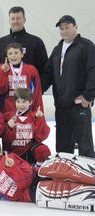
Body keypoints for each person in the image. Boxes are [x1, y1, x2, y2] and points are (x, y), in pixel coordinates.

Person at [0, 139, 95, 212]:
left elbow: (26, 178)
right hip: (29, 194)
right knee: (63, 189)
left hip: (35, 177)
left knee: (61, 170)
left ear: (0, 152)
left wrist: (12, 167)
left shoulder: (10, 158)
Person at [41, 15, 95, 158]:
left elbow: (93, 71)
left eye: (67, 27)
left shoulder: (86, 46)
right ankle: (65, 177)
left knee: (85, 144)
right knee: (63, 146)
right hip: (61, 104)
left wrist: (88, 95)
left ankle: (89, 177)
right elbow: (48, 73)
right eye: (62, 28)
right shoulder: (57, 49)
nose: (64, 31)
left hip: (79, 104)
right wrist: (36, 92)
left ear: (75, 27)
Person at [0, 6, 47, 77]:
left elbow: (45, 70)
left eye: (18, 18)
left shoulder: (36, 42)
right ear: (9, 21)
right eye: (12, 19)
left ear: (24, 20)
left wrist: (39, 87)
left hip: (28, 87)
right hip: (4, 87)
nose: (15, 21)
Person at [3, 88, 51, 165]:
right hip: (13, 151)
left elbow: (41, 137)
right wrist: (9, 128)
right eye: (18, 101)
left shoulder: (35, 116)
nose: (20, 105)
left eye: (24, 102)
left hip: (30, 149)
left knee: (42, 150)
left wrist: (40, 119)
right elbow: (6, 140)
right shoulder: (8, 116)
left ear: (30, 102)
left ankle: (38, 171)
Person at [0, 42, 43, 114]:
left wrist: (38, 111)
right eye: (10, 53)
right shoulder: (0, 69)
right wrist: (3, 73)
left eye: (16, 53)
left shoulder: (31, 70)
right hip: (7, 111)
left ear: (22, 54)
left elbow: (37, 93)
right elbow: (0, 90)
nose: (13, 56)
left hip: (27, 111)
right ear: (6, 56)